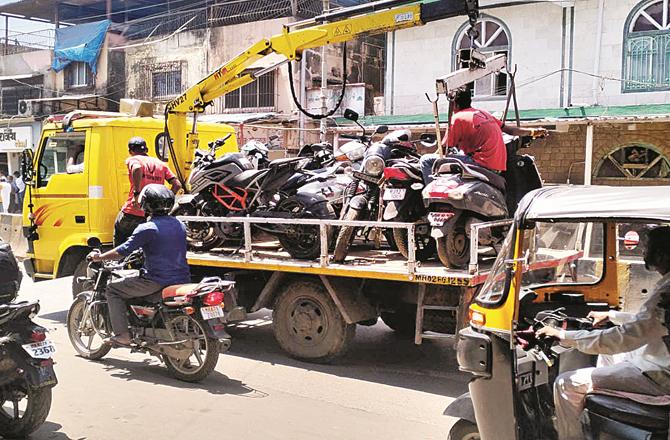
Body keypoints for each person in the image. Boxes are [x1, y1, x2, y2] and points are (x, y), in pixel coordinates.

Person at [537, 226, 670, 440]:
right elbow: (650, 323)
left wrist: (564, 336)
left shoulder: (665, 294)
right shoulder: (665, 286)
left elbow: (623, 339)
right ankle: (602, 419)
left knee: (565, 383)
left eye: (647, 248)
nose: (643, 252)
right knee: (606, 354)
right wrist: (611, 315)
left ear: (661, 255)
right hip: (657, 360)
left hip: (658, 376)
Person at [87, 184, 191, 346]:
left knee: (113, 289)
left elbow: (123, 250)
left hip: (156, 280)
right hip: (182, 278)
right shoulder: (179, 225)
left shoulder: (146, 228)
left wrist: (99, 257)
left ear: (146, 204)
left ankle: (123, 335)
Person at [419, 87, 548, 184]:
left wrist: (434, 155)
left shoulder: (457, 118)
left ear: (455, 104)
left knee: (426, 160)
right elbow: (511, 130)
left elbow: (443, 150)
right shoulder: (484, 113)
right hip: (498, 166)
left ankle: (431, 197)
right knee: (461, 155)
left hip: (480, 163)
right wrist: (533, 131)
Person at [114, 136, 182, 247]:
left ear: (130, 151)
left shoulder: (133, 159)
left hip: (133, 211)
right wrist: (165, 201)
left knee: (121, 238)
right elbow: (177, 184)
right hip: (152, 214)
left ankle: (117, 262)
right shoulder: (161, 164)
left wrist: (137, 194)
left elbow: (136, 168)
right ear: (146, 150)